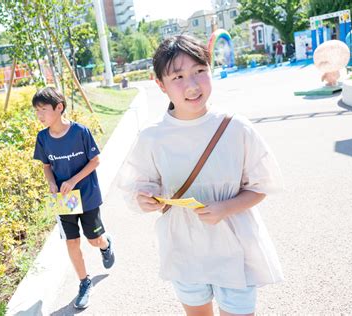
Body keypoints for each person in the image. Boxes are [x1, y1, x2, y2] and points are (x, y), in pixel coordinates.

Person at [119, 35, 283, 315]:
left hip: (235, 248)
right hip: (185, 250)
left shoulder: (236, 128)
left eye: (199, 71)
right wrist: (145, 199)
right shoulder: (152, 137)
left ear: (210, 70)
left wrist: (226, 207)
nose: (192, 85)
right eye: (178, 77)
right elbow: (139, 186)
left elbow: (261, 185)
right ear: (160, 84)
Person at [32, 87, 115, 309]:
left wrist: (74, 180)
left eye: (43, 110)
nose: (39, 115)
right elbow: (46, 166)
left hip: (86, 195)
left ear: (59, 108)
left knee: (93, 239)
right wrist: (51, 182)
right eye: (36, 111)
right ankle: (84, 282)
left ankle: (105, 245)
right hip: (64, 199)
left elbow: (95, 160)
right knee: (72, 241)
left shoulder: (80, 132)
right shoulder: (42, 138)